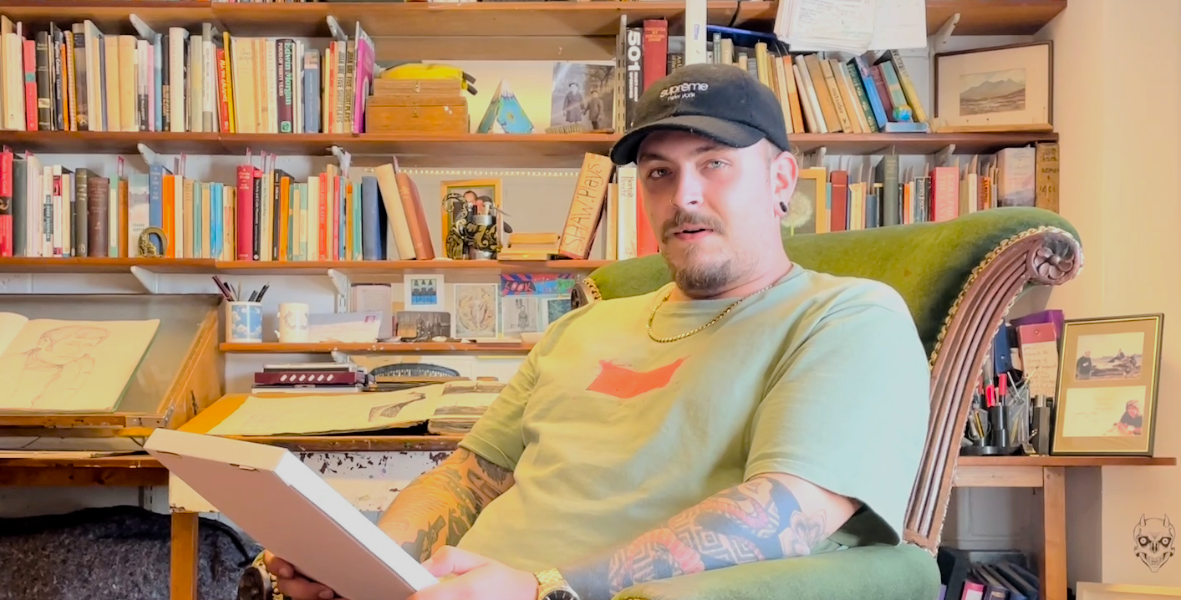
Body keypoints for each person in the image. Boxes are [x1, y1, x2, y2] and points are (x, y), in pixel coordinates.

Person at [265, 62, 931, 600]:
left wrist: (542, 589)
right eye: (660, 174)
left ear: (782, 178)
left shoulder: (847, 317)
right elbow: (465, 479)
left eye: (714, 163)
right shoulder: (581, 326)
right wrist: (369, 562)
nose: (684, 196)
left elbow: (786, 515)